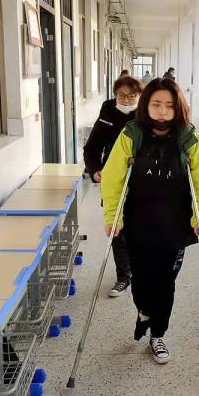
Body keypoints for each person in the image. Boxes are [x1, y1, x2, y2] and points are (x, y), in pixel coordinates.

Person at [101, 78, 199, 363]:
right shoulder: (132, 134)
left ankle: (158, 335)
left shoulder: (188, 136)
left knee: (165, 283)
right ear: (146, 105)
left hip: (175, 224)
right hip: (138, 222)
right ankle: (145, 311)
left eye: (170, 105)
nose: (163, 111)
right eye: (156, 104)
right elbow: (113, 177)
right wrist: (112, 215)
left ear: (179, 108)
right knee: (141, 281)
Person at [83, 76, 142, 298]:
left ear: (139, 96)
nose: (126, 100)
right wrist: (95, 169)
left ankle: (140, 270)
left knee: (140, 227)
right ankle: (123, 276)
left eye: (132, 96)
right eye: (121, 96)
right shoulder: (108, 111)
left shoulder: (146, 113)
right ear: (115, 94)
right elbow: (91, 148)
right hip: (113, 178)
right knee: (117, 226)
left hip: (141, 179)